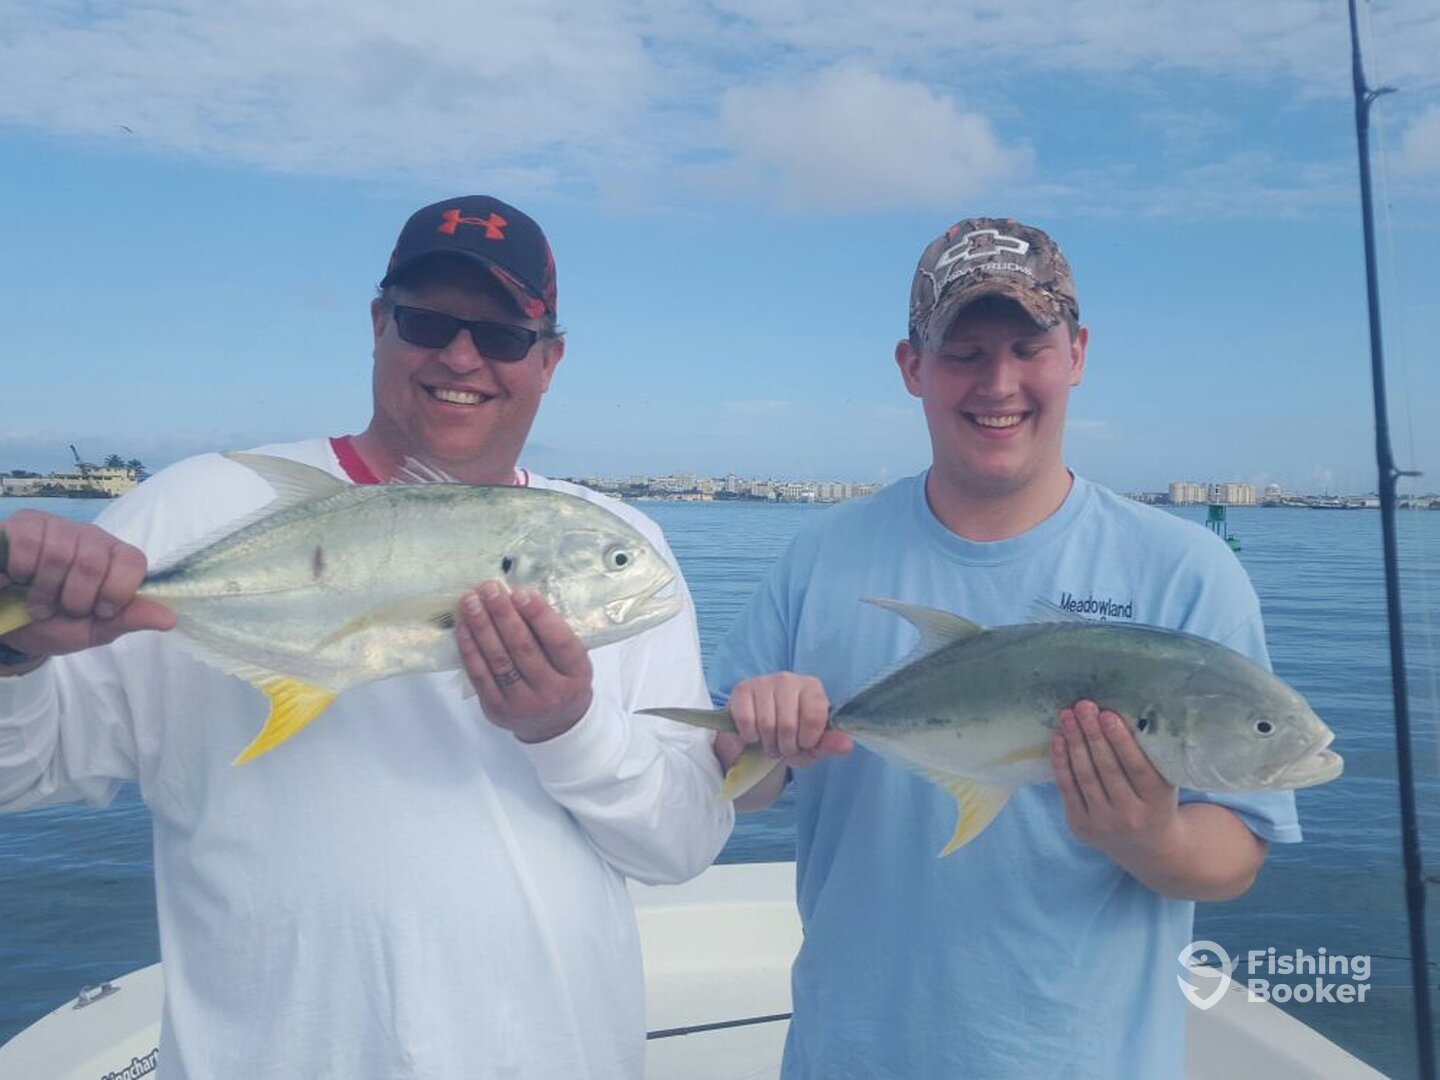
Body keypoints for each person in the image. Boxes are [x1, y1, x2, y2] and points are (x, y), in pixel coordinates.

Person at [0, 195, 733, 1079]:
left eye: (502, 335)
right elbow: (20, 773)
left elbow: (682, 846)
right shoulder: (190, 510)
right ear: (379, 323)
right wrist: (14, 651)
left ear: (550, 360)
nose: (462, 356)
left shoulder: (620, 545)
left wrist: (566, 726)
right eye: (428, 321)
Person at [708, 217, 1301, 1078]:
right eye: (963, 352)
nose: (999, 382)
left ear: (1077, 354)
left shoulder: (1187, 572)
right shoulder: (822, 555)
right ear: (912, 367)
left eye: (1029, 346)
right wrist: (752, 734)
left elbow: (1236, 852)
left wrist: (1146, 836)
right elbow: (748, 782)